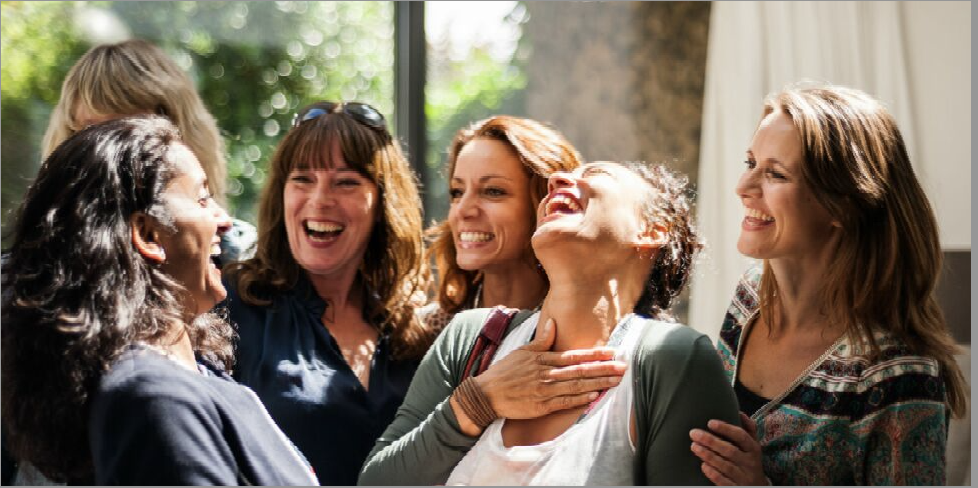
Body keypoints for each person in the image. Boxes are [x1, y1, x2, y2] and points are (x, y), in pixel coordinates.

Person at [360, 161, 741, 485]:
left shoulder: (672, 360)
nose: (558, 181)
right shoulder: (470, 337)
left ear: (652, 230)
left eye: (595, 173)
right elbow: (375, 481)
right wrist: (478, 402)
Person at [1, 116, 317, 485]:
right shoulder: (153, 398)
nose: (225, 220)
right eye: (201, 198)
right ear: (148, 235)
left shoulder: (194, 372)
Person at [689, 85, 969, 485]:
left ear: (841, 204)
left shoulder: (900, 376)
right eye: (750, 162)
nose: (743, 187)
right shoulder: (749, 298)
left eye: (775, 174)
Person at [221, 101, 430, 485]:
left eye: (346, 181)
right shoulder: (232, 308)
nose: (319, 200)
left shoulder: (416, 327)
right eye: (302, 179)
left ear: (383, 202)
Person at [40, 38, 255, 264]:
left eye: (139, 132)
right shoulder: (25, 276)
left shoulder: (244, 265)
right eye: (97, 134)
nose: (118, 151)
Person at [420, 115, 584, 331]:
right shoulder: (426, 331)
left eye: (493, 191)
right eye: (457, 192)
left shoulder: (584, 332)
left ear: (549, 204)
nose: (463, 210)